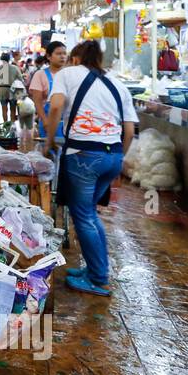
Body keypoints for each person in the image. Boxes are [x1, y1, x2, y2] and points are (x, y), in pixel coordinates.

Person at [44, 40, 137, 298]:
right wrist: (118, 158)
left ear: (76, 58)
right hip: (113, 155)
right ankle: (95, 270)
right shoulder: (118, 84)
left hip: (84, 155)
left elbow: (55, 106)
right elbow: (129, 130)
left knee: (83, 216)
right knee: (90, 215)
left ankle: (98, 278)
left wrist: (50, 141)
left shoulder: (67, 74)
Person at [29, 41, 68, 141]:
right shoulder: (40, 75)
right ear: (49, 56)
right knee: (50, 154)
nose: (62, 56)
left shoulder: (69, 74)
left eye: (64, 53)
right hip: (49, 122)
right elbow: (37, 102)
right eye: (58, 54)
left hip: (69, 124)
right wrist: (45, 121)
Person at [0, 52, 25, 124]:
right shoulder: (15, 68)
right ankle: (12, 126)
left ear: (1, 59)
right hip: (12, 90)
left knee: (4, 109)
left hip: (1, 90)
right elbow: (21, 79)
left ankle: (5, 125)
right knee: (13, 109)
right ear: (9, 59)